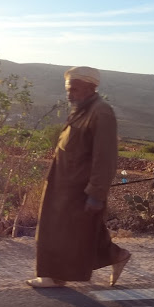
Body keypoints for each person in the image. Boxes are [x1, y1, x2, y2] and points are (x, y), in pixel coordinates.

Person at [27, 66, 131, 288]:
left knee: (61, 232)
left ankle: (51, 276)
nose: (69, 93)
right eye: (68, 89)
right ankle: (115, 256)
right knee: (75, 232)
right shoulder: (82, 109)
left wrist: (96, 193)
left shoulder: (101, 112)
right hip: (63, 185)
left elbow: (106, 157)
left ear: (90, 87)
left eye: (74, 89)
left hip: (78, 189)